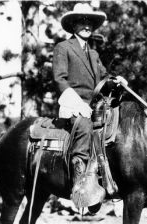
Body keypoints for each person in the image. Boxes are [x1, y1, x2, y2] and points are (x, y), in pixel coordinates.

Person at [53, 3, 127, 208]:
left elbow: (104, 77)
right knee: (85, 126)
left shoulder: (93, 54)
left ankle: (109, 178)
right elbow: (60, 79)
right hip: (73, 104)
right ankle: (80, 185)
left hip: (95, 105)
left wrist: (116, 81)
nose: (86, 25)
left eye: (89, 22)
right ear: (73, 25)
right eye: (81, 21)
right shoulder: (63, 48)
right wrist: (77, 104)